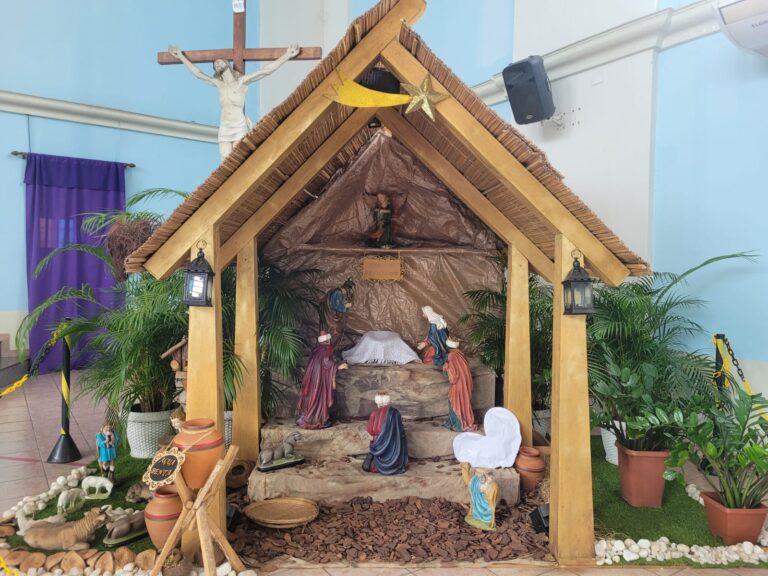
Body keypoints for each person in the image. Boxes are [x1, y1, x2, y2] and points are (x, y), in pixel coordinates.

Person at [168, 43, 300, 160]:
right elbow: (198, 74)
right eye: (215, 64)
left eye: (219, 61)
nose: (216, 64)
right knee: (225, 161)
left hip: (239, 126)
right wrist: (181, 56)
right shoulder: (219, 84)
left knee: (238, 159)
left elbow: (266, 71)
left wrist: (287, 55)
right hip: (225, 126)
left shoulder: (241, 82)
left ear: (228, 63)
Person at [296, 331, 348, 429]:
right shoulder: (326, 349)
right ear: (327, 340)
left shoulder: (316, 350)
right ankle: (316, 419)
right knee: (319, 399)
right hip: (319, 380)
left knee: (312, 397)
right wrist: (338, 366)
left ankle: (309, 417)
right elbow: (327, 362)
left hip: (313, 378)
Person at [362, 391, 408, 475]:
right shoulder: (395, 412)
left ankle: (377, 465)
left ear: (377, 401)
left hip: (379, 445)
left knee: (375, 441)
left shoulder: (374, 413)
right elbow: (400, 431)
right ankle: (393, 464)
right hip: (395, 449)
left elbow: (370, 431)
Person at [443, 338, 477, 432]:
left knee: (455, 402)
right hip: (465, 382)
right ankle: (464, 421)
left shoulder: (451, 356)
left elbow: (453, 376)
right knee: (464, 402)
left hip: (458, 384)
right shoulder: (460, 354)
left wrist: (446, 367)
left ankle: (458, 425)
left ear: (448, 346)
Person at [460, 462, 499, 531]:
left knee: (473, 484)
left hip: (482, 476)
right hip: (481, 475)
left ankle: (491, 521)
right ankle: (475, 514)